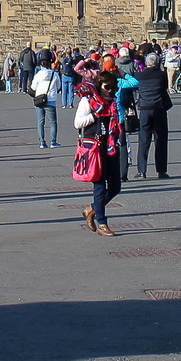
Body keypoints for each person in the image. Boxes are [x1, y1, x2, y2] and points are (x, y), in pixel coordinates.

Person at [74, 70, 126, 236]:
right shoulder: (89, 101)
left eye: (113, 87)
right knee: (99, 186)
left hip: (110, 146)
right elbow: (77, 123)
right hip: (94, 147)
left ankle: (92, 209)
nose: (109, 90)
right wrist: (95, 115)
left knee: (115, 187)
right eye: (106, 87)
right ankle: (102, 223)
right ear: (99, 86)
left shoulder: (114, 103)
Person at [130, 47, 172, 179]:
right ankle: (161, 170)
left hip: (145, 109)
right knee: (160, 140)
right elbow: (164, 88)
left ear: (146, 63)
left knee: (143, 140)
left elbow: (136, 88)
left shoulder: (139, 76)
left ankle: (142, 170)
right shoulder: (162, 75)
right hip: (159, 108)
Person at [31, 58, 59, 147]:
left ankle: (42, 142)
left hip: (39, 99)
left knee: (40, 121)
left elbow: (33, 87)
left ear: (41, 66)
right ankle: (53, 141)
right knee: (53, 122)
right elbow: (58, 86)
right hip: (50, 100)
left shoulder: (38, 75)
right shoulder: (54, 74)